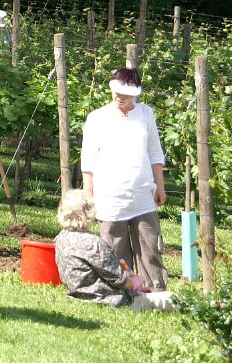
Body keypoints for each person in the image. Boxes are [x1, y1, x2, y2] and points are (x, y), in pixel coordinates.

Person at [81, 67, 168, 291]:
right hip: (109, 197)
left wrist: (160, 186)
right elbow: (88, 161)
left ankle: (155, 292)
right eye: (117, 92)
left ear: (136, 94)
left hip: (143, 195)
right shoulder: (97, 118)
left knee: (150, 247)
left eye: (126, 94)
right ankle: (121, 292)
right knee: (114, 250)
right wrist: (89, 195)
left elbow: (155, 153)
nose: (120, 97)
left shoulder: (146, 114)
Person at [55, 189, 175, 311]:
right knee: (170, 298)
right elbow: (121, 281)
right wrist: (137, 286)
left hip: (78, 296)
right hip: (110, 299)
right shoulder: (93, 243)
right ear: (88, 211)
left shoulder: (61, 238)